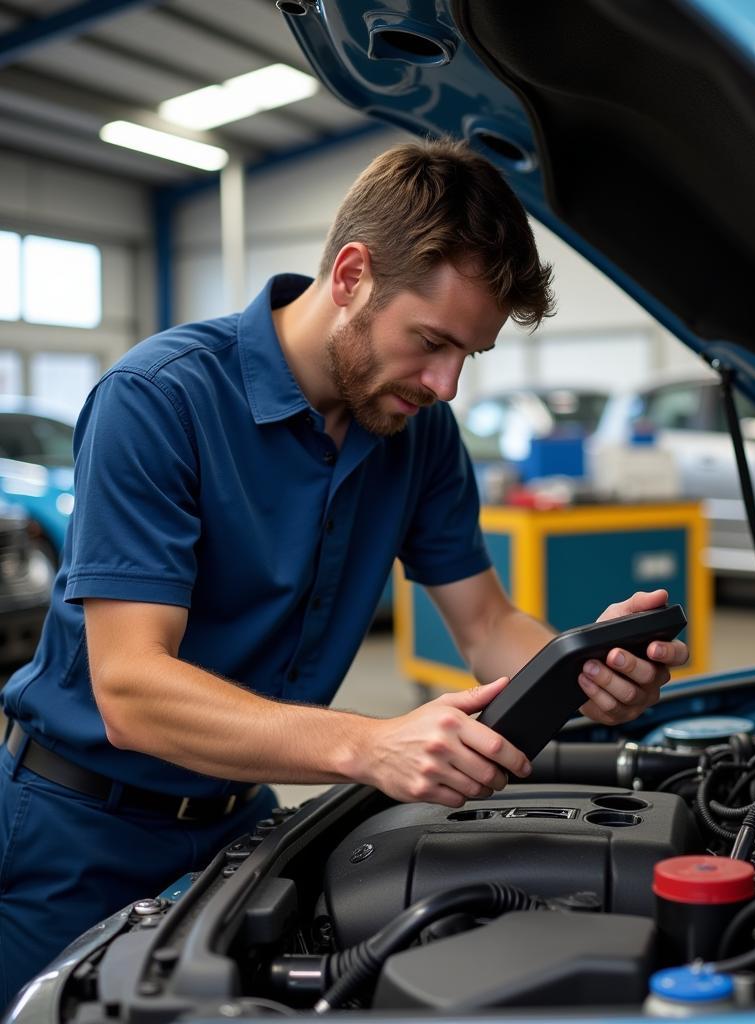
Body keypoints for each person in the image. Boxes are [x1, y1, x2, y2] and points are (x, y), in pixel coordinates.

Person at [0, 138, 689, 1005]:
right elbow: (130, 690)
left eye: (466, 357)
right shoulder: (160, 400)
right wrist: (371, 744)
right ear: (353, 273)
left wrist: (579, 668)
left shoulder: (418, 433)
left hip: (237, 822)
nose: (444, 384)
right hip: (75, 829)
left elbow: (484, 626)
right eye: (431, 341)